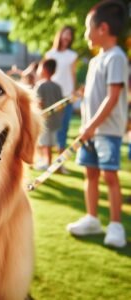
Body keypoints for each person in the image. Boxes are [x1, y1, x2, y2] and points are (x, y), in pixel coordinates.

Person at [67, 0, 128, 248]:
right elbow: (97, 93)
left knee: (109, 176)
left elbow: (113, 97)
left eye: (87, 28)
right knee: (89, 173)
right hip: (89, 130)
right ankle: (92, 218)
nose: (85, 34)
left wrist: (91, 126)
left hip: (106, 130)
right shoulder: (95, 61)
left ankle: (116, 225)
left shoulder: (116, 57)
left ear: (102, 28)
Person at [46, 26, 78, 174]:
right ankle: (46, 161)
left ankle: (59, 164)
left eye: (70, 35)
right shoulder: (50, 54)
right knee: (49, 128)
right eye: (65, 33)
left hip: (66, 97)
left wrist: (73, 93)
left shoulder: (72, 55)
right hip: (52, 95)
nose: (68, 37)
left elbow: (73, 75)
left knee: (63, 130)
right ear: (60, 35)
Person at [33, 59, 63, 169]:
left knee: (45, 143)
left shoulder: (40, 86)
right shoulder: (57, 87)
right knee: (50, 142)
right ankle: (48, 161)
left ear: (44, 69)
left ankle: (47, 162)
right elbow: (61, 104)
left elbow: (39, 103)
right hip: (55, 120)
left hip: (44, 120)